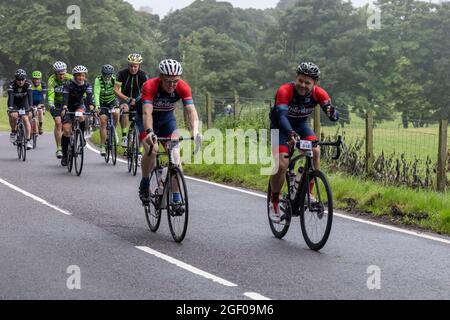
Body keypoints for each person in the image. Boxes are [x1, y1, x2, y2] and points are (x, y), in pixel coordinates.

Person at [268, 62, 339, 223]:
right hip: (280, 127)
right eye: (300, 80)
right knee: (281, 164)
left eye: (307, 82)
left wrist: (332, 112)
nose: (303, 85)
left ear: (314, 84)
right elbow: (282, 117)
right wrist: (291, 134)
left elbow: (333, 115)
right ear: (296, 78)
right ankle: (274, 202)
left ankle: (308, 193)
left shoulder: (319, 93)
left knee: (315, 151)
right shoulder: (285, 90)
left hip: (300, 125)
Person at [138, 59, 202, 204]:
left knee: (175, 157)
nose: (172, 85)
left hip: (167, 120)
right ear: (160, 77)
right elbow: (147, 113)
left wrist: (196, 131)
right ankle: (145, 181)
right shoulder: (150, 86)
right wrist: (149, 131)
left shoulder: (183, 87)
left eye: (175, 81)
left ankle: (176, 196)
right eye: (168, 81)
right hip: (146, 120)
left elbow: (191, 110)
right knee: (152, 149)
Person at [114, 53, 148, 158]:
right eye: (131, 66)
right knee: (124, 110)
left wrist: (137, 99)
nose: (133, 68)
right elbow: (115, 89)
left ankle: (140, 150)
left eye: (135, 66)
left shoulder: (143, 75)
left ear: (139, 66)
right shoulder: (122, 74)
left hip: (138, 99)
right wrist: (126, 98)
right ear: (128, 65)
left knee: (143, 120)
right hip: (125, 98)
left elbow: (147, 90)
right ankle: (124, 136)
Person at [60, 65, 94, 166]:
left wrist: (92, 107)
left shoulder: (87, 85)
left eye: (82, 75)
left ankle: (81, 136)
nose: (80, 77)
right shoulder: (68, 84)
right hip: (68, 106)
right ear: (74, 76)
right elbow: (65, 97)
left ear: (85, 76)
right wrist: (65, 107)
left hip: (79, 105)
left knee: (81, 116)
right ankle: (65, 155)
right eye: (78, 75)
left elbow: (89, 99)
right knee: (66, 130)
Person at [48, 61, 73, 159]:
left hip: (69, 103)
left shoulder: (71, 78)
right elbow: (50, 93)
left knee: (73, 121)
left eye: (63, 74)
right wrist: (51, 103)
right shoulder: (52, 80)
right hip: (57, 103)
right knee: (58, 123)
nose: (61, 76)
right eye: (59, 74)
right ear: (55, 73)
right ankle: (59, 148)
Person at [94, 64, 120, 156]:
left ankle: (113, 130)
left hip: (112, 100)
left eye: (109, 75)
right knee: (103, 121)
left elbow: (118, 91)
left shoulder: (114, 79)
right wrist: (97, 106)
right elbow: (96, 93)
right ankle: (102, 146)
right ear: (102, 74)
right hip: (102, 102)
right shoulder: (98, 79)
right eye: (105, 75)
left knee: (117, 113)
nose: (107, 77)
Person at [7, 69, 34, 150]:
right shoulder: (12, 84)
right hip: (14, 103)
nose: (21, 81)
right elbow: (11, 96)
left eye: (22, 79)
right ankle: (13, 132)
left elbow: (30, 96)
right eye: (18, 80)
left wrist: (31, 106)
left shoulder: (28, 84)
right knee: (14, 116)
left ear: (25, 79)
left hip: (24, 102)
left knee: (26, 118)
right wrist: (11, 108)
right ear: (16, 79)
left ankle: (28, 141)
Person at [30, 71, 47, 135]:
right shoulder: (30, 85)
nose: (36, 80)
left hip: (40, 102)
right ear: (32, 79)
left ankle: (40, 126)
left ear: (40, 79)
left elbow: (44, 96)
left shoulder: (43, 85)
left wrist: (42, 104)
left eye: (38, 79)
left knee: (40, 111)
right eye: (35, 79)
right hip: (31, 102)